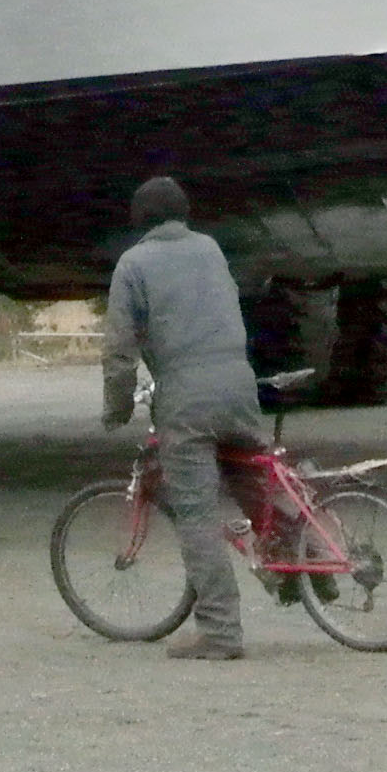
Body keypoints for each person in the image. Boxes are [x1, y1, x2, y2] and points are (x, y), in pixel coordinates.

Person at [101, 175, 266, 661]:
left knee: (196, 514)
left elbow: (119, 352)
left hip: (187, 400)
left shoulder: (133, 264)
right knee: (258, 486)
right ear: (184, 212)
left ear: (139, 220)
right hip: (239, 387)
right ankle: (308, 564)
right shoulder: (211, 250)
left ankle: (219, 632)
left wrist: (116, 407)